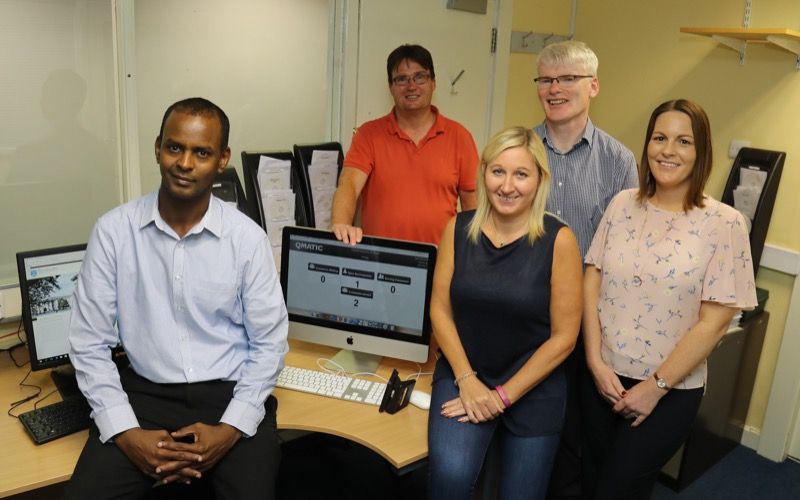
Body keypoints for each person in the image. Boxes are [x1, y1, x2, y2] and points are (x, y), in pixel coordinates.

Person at [66, 97, 289, 500]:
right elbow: (89, 343)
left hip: (228, 396)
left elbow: (269, 344)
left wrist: (229, 430)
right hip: (144, 396)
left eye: (201, 152)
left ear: (222, 159)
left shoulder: (246, 239)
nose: (185, 163)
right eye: (175, 147)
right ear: (157, 148)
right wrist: (127, 433)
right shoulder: (114, 232)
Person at [581, 99, 758, 499]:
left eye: (683, 141)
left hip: (668, 391)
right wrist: (593, 361)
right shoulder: (622, 204)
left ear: (701, 152)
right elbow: (592, 281)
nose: (668, 150)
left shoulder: (724, 224)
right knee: (590, 483)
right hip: (599, 380)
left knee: (618, 488)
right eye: (660, 138)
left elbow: (713, 323)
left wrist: (655, 387)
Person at [427, 126, 583, 500]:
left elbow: (564, 338)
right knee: (449, 476)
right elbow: (440, 310)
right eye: (498, 171)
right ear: (483, 173)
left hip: (534, 384)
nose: (508, 185)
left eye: (521, 174)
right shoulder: (458, 229)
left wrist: (501, 397)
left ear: (539, 180)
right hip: (466, 371)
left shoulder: (559, 240)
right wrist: (466, 380)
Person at [532, 40, 638, 498]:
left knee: (577, 431)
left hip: (588, 322)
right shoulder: (520, 151)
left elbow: (628, 249)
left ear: (593, 86)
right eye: (546, 80)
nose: (555, 89)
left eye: (568, 79)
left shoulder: (619, 162)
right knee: (527, 423)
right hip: (524, 312)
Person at [332, 43, 478, 246]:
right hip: (381, 261)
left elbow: (473, 209)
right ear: (391, 87)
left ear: (433, 82)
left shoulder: (460, 137)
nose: (412, 86)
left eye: (420, 77)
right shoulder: (369, 135)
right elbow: (349, 184)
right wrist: (340, 225)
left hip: (440, 262)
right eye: (402, 79)